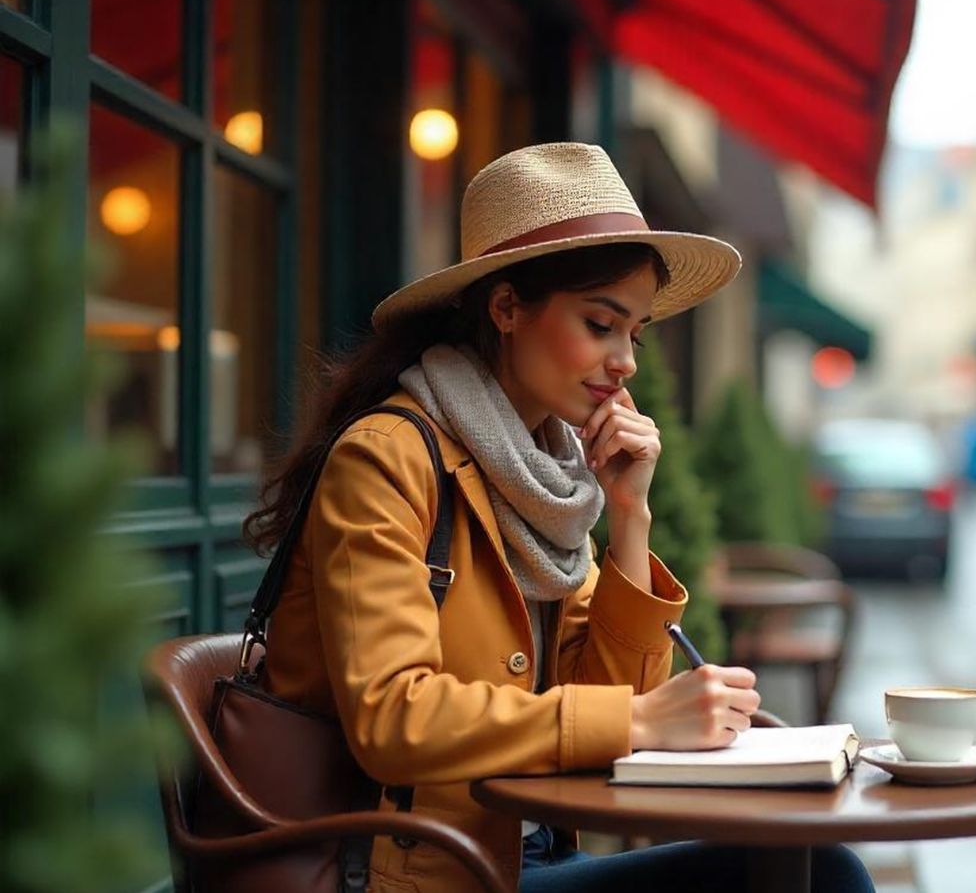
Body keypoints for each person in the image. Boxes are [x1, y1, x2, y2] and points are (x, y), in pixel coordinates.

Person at [246, 144, 874, 893]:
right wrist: (642, 724)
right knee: (823, 876)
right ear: (506, 308)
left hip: (529, 855)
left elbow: (616, 697)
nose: (627, 362)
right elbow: (393, 718)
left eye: (633, 333)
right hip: (416, 870)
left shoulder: (544, 477)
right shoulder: (387, 457)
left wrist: (631, 516)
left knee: (817, 867)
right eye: (600, 324)